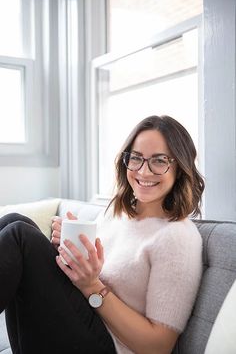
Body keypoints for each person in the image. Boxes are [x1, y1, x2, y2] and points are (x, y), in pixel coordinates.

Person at [0, 115, 204, 354]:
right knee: (15, 221)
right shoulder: (116, 213)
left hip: (112, 347)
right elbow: (88, 273)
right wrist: (68, 250)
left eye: (159, 161)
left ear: (179, 168)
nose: (144, 171)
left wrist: (91, 286)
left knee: (19, 235)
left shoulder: (177, 237)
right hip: (82, 322)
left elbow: (158, 346)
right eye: (136, 158)